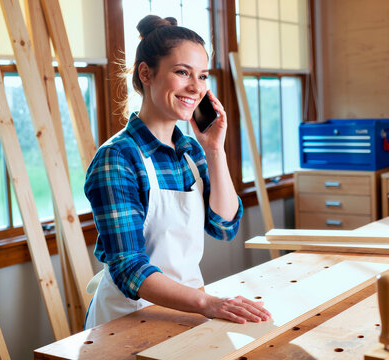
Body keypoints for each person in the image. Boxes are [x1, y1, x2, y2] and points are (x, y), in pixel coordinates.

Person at [83, 15, 271, 329]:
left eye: (203, 76)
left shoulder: (191, 152)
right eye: (182, 72)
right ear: (146, 73)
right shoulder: (116, 159)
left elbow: (224, 227)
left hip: (188, 311)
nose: (195, 88)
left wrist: (214, 150)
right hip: (127, 320)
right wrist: (209, 303)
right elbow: (129, 268)